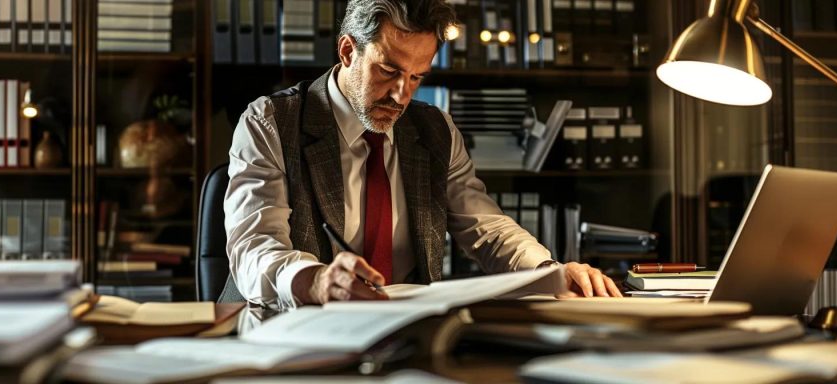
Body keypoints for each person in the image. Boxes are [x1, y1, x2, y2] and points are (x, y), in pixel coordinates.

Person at [224, 0, 622, 311]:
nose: (402, 95)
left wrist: (550, 273)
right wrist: (314, 281)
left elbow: (487, 227)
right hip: (287, 332)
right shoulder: (272, 121)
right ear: (347, 50)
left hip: (405, 332)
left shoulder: (434, 131)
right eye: (388, 71)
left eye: (417, 77)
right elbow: (254, 248)